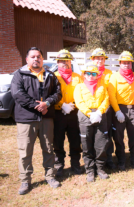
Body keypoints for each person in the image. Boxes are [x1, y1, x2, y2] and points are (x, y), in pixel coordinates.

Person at [11, 47, 62, 195]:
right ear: (27, 59)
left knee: (48, 148)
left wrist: (47, 103)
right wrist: (37, 106)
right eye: (33, 57)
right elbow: (18, 94)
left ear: (42, 59)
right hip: (26, 120)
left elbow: (57, 93)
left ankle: (50, 176)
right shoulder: (19, 75)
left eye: (38, 56)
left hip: (46, 119)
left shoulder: (50, 75)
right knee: (25, 151)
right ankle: (25, 180)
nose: (36, 59)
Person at [74, 62, 110, 182]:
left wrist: (99, 112)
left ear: (97, 75)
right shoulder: (79, 87)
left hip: (100, 115)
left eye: (93, 73)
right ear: (84, 74)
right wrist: (90, 113)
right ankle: (89, 170)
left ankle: (100, 168)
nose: (90, 75)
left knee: (101, 144)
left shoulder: (102, 86)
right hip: (85, 116)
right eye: (87, 73)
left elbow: (106, 99)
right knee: (86, 143)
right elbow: (79, 102)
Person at [108, 51, 134, 171]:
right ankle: (121, 160)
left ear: (131, 64)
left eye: (128, 63)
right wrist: (117, 111)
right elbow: (111, 95)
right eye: (123, 63)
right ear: (120, 63)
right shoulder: (114, 76)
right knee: (118, 137)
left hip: (133, 109)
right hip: (119, 110)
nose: (126, 65)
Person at [53, 49, 82, 177]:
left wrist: (73, 105)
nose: (64, 63)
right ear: (57, 62)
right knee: (58, 140)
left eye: (67, 60)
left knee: (75, 140)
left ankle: (75, 164)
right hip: (58, 113)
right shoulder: (53, 76)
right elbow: (50, 95)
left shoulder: (78, 77)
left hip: (74, 113)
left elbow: (82, 95)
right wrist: (60, 105)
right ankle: (59, 165)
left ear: (71, 62)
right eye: (61, 61)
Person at [90, 48, 116, 170]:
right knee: (94, 135)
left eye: (102, 59)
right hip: (92, 109)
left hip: (107, 109)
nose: (99, 61)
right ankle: (95, 158)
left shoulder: (110, 73)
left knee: (107, 133)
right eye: (97, 59)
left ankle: (109, 158)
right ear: (92, 60)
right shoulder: (87, 72)